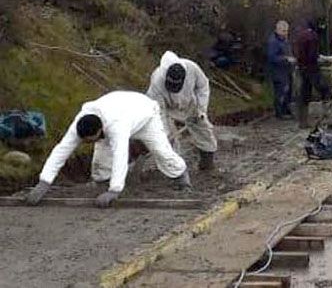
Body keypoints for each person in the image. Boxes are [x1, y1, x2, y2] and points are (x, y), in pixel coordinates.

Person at [26, 91, 190, 208]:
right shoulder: (80, 124)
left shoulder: (117, 126)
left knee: (162, 152)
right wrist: (44, 182)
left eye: (92, 139)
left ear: (99, 131)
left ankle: (181, 176)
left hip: (145, 114)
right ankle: (103, 183)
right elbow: (62, 150)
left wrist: (115, 190)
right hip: (117, 108)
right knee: (100, 162)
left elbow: (120, 155)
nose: (89, 143)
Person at [147, 51, 218, 171]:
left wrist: (201, 108)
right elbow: (159, 111)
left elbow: (203, 86)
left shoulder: (192, 68)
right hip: (167, 108)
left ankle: (207, 162)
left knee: (204, 129)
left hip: (190, 104)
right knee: (167, 138)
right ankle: (174, 168)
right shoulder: (156, 83)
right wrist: (165, 131)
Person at [293, 19, 332, 128]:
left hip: (302, 67)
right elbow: (312, 54)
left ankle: (303, 121)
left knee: (304, 93)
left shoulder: (300, 35)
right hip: (312, 67)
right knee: (325, 89)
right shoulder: (313, 36)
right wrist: (324, 59)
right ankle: (328, 117)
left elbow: (298, 53)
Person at [266, 20, 296, 119]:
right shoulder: (273, 41)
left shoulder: (285, 40)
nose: (285, 33)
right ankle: (280, 113)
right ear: (277, 30)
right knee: (281, 91)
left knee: (288, 91)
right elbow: (272, 57)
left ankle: (286, 110)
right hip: (278, 71)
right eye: (283, 31)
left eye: (286, 31)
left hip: (287, 70)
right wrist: (286, 59)